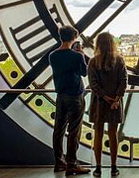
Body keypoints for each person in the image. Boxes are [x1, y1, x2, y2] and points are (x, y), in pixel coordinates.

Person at [49, 26, 91, 176]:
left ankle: (59, 162)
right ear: (74, 38)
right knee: (74, 131)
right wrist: (82, 56)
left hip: (61, 95)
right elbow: (84, 73)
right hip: (75, 96)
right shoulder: (77, 56)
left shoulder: (52, 56)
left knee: (58, 130)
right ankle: (72, 164)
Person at [87, 32, 128, 177]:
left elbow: (93, 84)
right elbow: (123, 81)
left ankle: (98, 167)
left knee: (98, 134)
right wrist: (116, 99)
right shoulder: (120, 61)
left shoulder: (93, 62)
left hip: (99, 103)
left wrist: (104, 97)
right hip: (114, 104)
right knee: (113, 135)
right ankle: (113, 166)